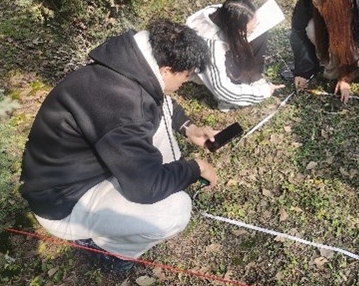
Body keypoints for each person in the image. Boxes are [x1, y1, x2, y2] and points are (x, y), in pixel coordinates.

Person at [20, 20, 220, 273]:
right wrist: (195, 168)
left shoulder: (125, 67)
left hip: (71, 174)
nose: (187, 81)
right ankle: (107, 250)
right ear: (167, 70)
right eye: (186, 75)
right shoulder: (125, 108)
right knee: (175, 211)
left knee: (158, 125)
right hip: (65, 203)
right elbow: (146, 188)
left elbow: (159, 99)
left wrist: (189, 128)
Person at [186, 0, 284, 111]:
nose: (251, 32)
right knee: (229, 88)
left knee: (261, 30)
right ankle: (228, 99)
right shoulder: (211, 46)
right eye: (247, 31)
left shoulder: (224, 12)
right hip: (206, 72)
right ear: (232, 30)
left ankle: (252, 78)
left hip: (225, 44)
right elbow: (222, 90)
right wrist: (262, 92)